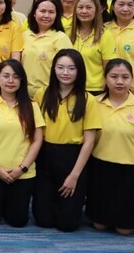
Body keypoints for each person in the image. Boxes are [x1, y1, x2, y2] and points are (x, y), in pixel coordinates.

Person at [88, 59, 134, 235]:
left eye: (125, 77)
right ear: (105, 79)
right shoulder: (94, 103)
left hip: (130, 173)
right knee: (99, 225)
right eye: (114, 77)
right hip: (100, 170)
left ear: (132, 79)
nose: (119, 82)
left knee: (124, 230)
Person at [34, 49, 100, 232]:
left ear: (79, 71)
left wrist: (74, 176)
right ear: (53, 69)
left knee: (68, 224)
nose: (65, 72)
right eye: (60, 67)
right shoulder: (41, 94)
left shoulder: (88, 100)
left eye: (71, 68)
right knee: (43, 220)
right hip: (45, 155)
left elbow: (89, 142)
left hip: (72, 158)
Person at [0, 59, 44, 228]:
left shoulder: (32, 106)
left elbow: (37, 140)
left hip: (22, 173)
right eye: (6, 76)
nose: (10, 81)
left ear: (22, 80)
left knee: (18, 221)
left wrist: (22, 168)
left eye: (15, 76)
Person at [21, 0, 71, 99]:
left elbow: (68, 67)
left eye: (51, 12)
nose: (46, 15)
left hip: (50, 94)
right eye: (42, 11)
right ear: (34, 13)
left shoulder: (61, 38)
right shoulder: (24, 36)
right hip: (24, 94)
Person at [70, 0, 116, 95]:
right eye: (80, 7)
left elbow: (109, 68)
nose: (84, 11)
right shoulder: (68, 32)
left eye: (89, 7)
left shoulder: (105, 35)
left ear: (97, 10)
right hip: (71, 88)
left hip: (96, 90)